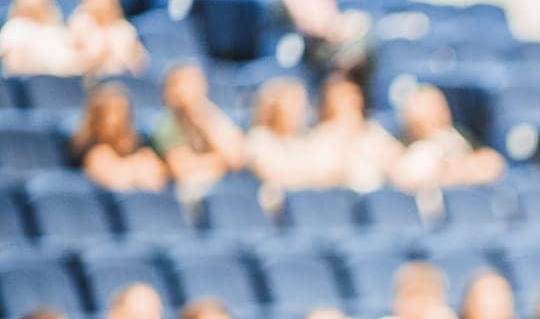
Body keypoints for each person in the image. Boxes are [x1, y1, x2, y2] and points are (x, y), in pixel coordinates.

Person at [149, 63, 247, 201]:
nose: (196, 90)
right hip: (180, 193)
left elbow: (237, 157)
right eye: (187, 84)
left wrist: (205, 118)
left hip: (215, 184)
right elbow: (182, 168)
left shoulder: (208, 114)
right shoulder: (166, 122)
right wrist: (222, 162)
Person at [390, 85, 504, 193]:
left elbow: (493, 162)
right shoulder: (400, 142)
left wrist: (454, 170)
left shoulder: (455, 136)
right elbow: (404, 179)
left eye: (438, 108)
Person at [246, 78, 342, 192]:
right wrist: (313, 178)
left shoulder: (311, 139)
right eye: (292, 101)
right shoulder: (260, 138)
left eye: (302, 102)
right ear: (274, 106)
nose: (299, 108)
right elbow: (273, 176)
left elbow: (335, 174)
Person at [309, 75, 402, 192]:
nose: (350, 102)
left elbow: (396, 159)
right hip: (339, 197)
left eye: (354, 97)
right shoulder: (321, 135)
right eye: (343, 98)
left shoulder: (372, 130)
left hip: (377, 194)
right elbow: (320, 174)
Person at [69, 83, 169, 191]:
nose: (113, 121)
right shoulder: (91, 150)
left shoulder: (139, 145)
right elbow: (117, 182)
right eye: (107, 115)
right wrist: (134, 166)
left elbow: (156, 180)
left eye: (119, 114)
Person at [0, 0, 82, 75]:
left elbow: (74, 60)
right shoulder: (15, 28)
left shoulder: (57, 29)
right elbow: (15, 68)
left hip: (69, 83)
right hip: (40, 85)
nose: (38, 1)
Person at [67, 0, 146, 76]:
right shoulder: (79, 23)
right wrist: (96, 59)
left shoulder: (125, 30)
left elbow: (135, 66)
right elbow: (70, 63)